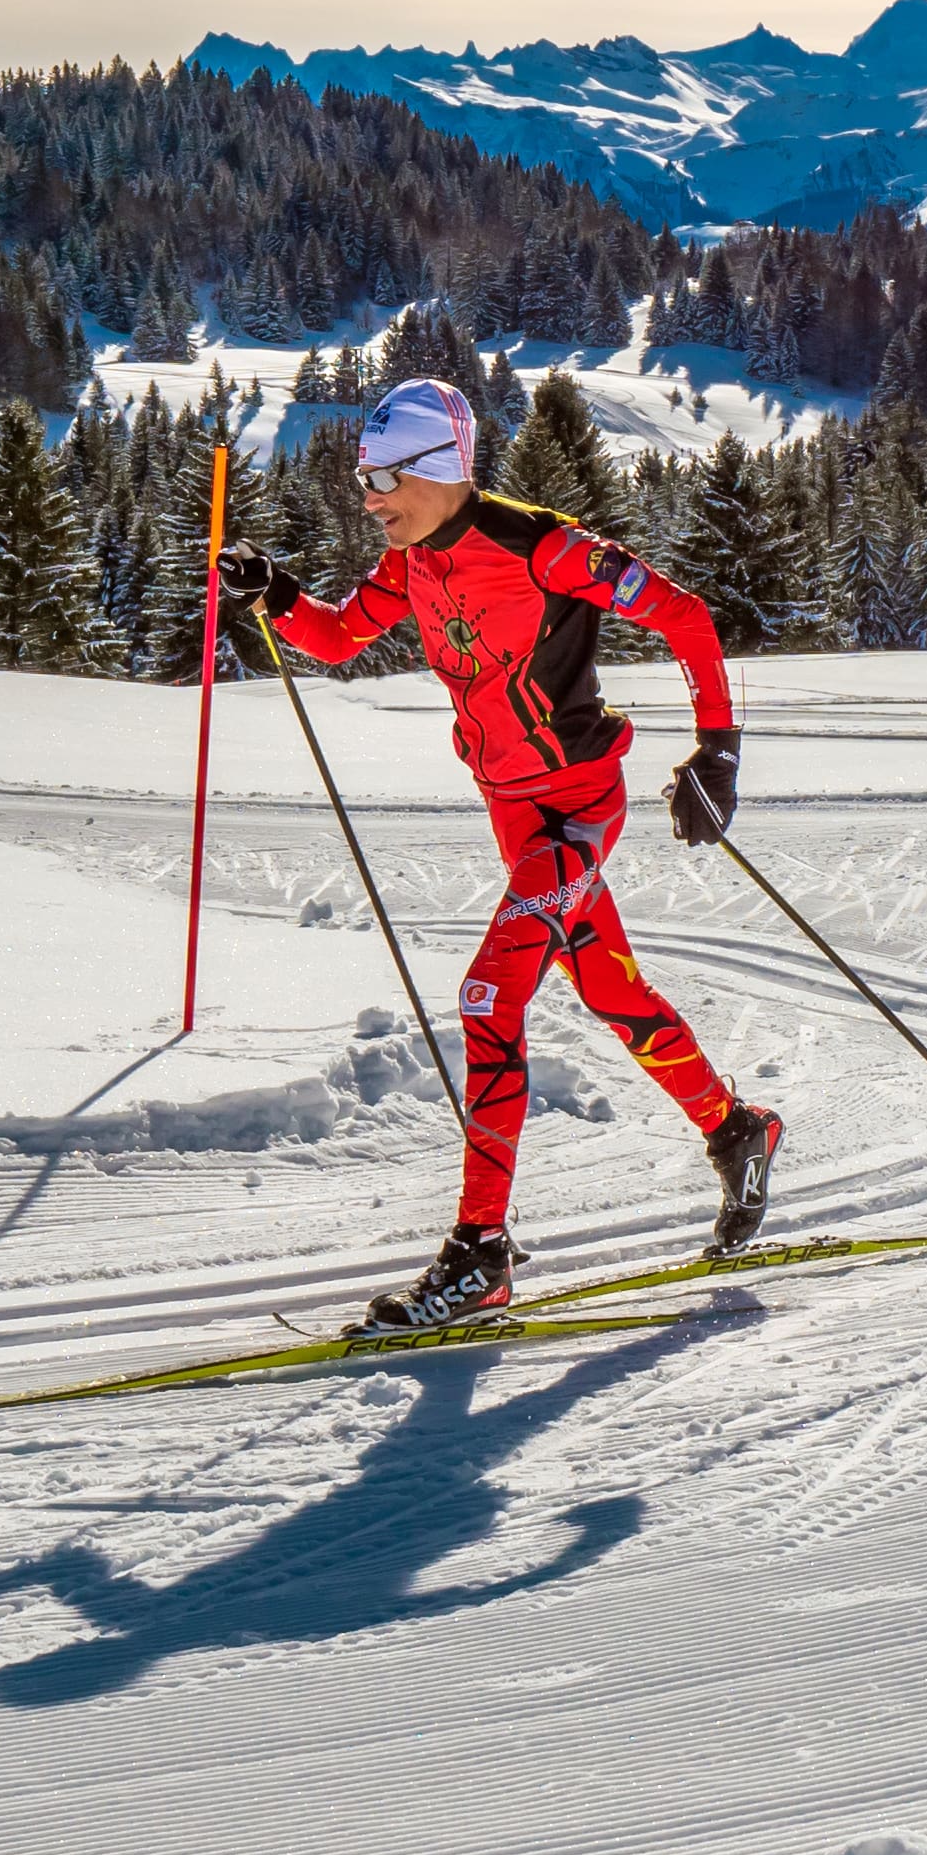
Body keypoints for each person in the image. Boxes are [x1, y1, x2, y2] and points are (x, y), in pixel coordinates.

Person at [223, 375, 776, 1330]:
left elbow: (686, 616)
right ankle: (737, 1129)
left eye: (384, 479)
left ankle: (480, 1254)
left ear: (440, 467)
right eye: (362, 480)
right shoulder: (411, 563)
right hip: (512, 816)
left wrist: (717, 751)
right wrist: (276, 595)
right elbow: (340, 637)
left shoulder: (544, 547)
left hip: (575, 813)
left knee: (489, 997)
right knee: (613, 992)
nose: (369, 498)